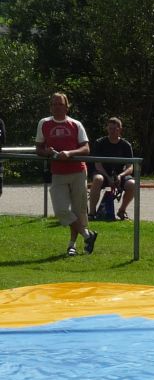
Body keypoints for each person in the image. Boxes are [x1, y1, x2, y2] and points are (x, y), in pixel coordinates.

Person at [35, 92, 98, 257]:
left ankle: (72, 245)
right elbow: (38, 148)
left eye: (60, 104)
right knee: (61, 210)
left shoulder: (76, 124)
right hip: (58, 173)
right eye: (54, 104)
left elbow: (86, 148)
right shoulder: (44, 123)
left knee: (78, 211)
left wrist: (69, 153)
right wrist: (46, 152)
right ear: (50, 107)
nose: (57, 107)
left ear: (66, 106)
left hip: (78, 171)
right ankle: (88, 235)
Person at [88, 116, 136, 221]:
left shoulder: (126, 145)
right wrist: (108, 177)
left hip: (119, 175)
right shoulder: (99, 143)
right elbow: (97, 165)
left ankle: (122, 211)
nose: (112, 131)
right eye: (110, 128)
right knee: (98, 179)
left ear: (120, 129)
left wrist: (120, 176)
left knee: (132, 184)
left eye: (115, 129)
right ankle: (92, 213)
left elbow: (130, 168)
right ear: (107, 129)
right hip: (102, 173)